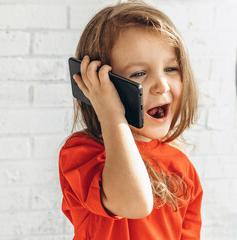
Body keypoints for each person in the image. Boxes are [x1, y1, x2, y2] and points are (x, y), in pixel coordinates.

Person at [58, 1, 203, 239]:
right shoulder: (81, 153)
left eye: (171, 69)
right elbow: (134, 203)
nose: (161, 86)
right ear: (100, 85)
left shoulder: (182, 165)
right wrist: (112, 114)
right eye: (138, 73)